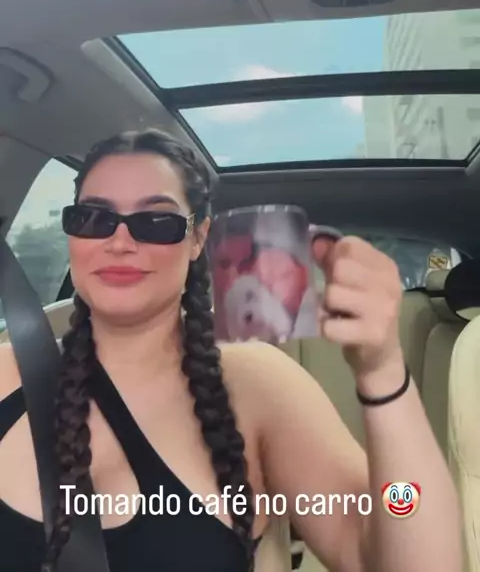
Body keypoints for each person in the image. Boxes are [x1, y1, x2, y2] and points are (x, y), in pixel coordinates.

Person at [0, 128, 463, 572]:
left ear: (198, 238)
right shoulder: (6, 370)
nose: (119, 242)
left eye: (156, 222)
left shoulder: (257, 385)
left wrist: (383, 372)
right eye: (94, 219)